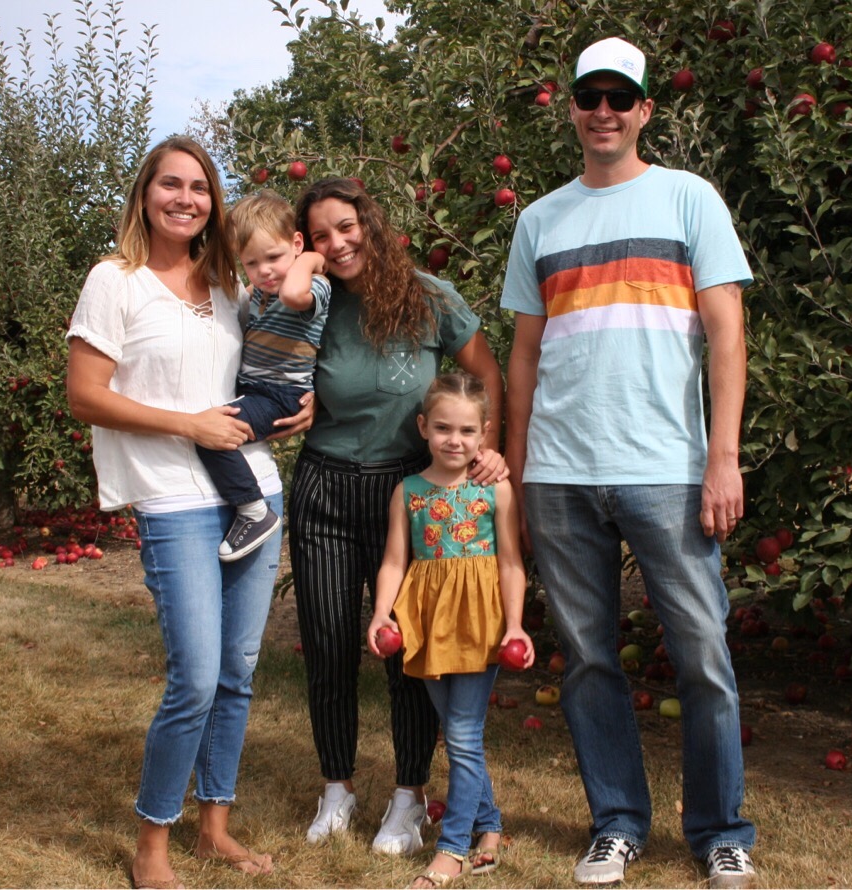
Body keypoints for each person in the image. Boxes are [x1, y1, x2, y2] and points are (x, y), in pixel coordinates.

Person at [501, 37, 758, 889]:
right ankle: (616, 823)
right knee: (589, 663)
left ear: (646, 109)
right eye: (589, 96)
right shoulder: (538, 220)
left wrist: (723, 457)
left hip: (669, 469)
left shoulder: (691, 201)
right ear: (571, 108)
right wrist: (517, 465)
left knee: (703, 657)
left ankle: (720, 830)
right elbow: (524, 356)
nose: (603, 110)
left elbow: (727, 333)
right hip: (561, 474)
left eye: (621, 97)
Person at [67, 136, 311, 890]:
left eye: (199, 187)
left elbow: (281, 351)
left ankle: (215, 829)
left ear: (214, 201)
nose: (185, 198)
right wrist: (190, 425)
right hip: (174, 501)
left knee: (238, 673)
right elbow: (86, 395)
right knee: (196, 678)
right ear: (145, 194)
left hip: (253, 494)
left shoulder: (232, 283)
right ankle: (153, 845)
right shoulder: (116, 281)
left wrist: (295, 411)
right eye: (170, 184)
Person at [289, 177, 507, 855]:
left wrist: (487, 449)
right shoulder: (313, 308)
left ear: (370, 225)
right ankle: (337, 788)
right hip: (324, 489)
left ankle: (409, 796)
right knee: (329, 645)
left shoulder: (427, 297)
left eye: (346, 227)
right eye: (320, 235)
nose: (338, 243)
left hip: (409, 496)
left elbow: (485, 373)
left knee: (409, 652)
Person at [366, 372, 534, 888]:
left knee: (462, 735)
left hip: (481, 623)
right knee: (460, 737)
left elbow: (510, 563)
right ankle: (490, 826)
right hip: (429, 623)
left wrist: (515, 625)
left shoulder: (496, 489)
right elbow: (395, 561)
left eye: (466, 430)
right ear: (423, 427)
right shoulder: (409, 492)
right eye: (442, 428)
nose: (454, 440)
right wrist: (381, 613)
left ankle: (453, 848)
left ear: (484, 433)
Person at [194, 189, 330, 562]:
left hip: (280, 394)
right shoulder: (261, 293)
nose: (265, 270)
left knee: (213, 434)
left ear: (296, 243)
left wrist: (312, 259)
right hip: (256, 388)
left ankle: (253, 512)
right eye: (252, 263)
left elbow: (292, 295)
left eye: (274, 257)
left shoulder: (314, 286)